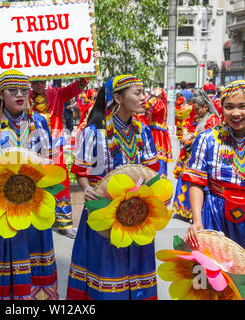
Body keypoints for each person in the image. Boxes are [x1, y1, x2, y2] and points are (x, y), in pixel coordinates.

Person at [67, 75, 164, 300]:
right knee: (107, 269)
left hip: (137, 212)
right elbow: (82, 171)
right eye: (137, 93)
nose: (144, 98)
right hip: (103, 211)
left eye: (143, 92)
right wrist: (86, 189)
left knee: (138, 269)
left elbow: (152, 172)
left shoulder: (143, 131)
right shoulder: (94, 133)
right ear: (118, 98)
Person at [0, 69, 58, 300]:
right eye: (13, 90)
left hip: (31, 203)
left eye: (24, 90)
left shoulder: (39, 123)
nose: (20, 95)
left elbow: (50, 163)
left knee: (32, 253)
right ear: (0, 94)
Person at [183, 80, 245, 300]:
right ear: (221, 107)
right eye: (229, 106)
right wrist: (197, 222)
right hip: (214, 215)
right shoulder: (207, 138)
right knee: (213, 280)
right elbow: (197, 182)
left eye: (243, 106)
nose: (236, 113)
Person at [30, 77, 89, 238]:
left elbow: (77, 87)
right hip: (32, 149)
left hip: (55, 149)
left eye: (41, 81)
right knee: (33, 184)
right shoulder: (24, 96)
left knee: (61, 184)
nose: (38, 85)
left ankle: (65, 223)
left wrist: (90, 67)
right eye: (34, 82)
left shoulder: (56, 94)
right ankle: (35, 222)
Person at [172, 89, 220, 222]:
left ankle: (194, 211)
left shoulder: (213, 119)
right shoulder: (199, 117)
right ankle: (185, 210)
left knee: (195, 183)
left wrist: (191, 137)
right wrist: (186, 132)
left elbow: (209, 136)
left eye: (198, 109)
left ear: (206, 107)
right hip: (192, 152)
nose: (196, 111)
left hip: (204, 157)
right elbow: (188, 124)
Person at [146, 87, 172, 175]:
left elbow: (149, 105)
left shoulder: (159, 103)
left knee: (157, 155)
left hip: (157, 133)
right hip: (156, 132)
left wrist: (153, 96)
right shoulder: (161, 103)